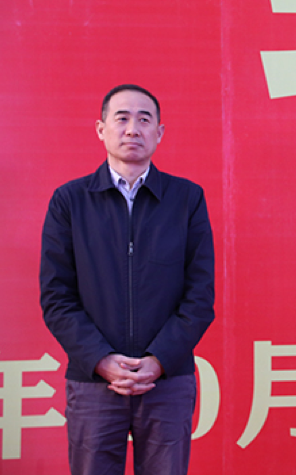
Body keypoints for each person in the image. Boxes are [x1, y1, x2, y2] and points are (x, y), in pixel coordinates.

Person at [40, 84, 216, 475]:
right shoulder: (69, 201)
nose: (132, 128)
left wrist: (159, 360)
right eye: (121, 118)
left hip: (166, 380)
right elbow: (56, 297)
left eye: (144, 119)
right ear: (101, 129)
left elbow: (200, 296)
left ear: (160, 132)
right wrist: (100, 359)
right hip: (94, 381)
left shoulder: (187, 199)